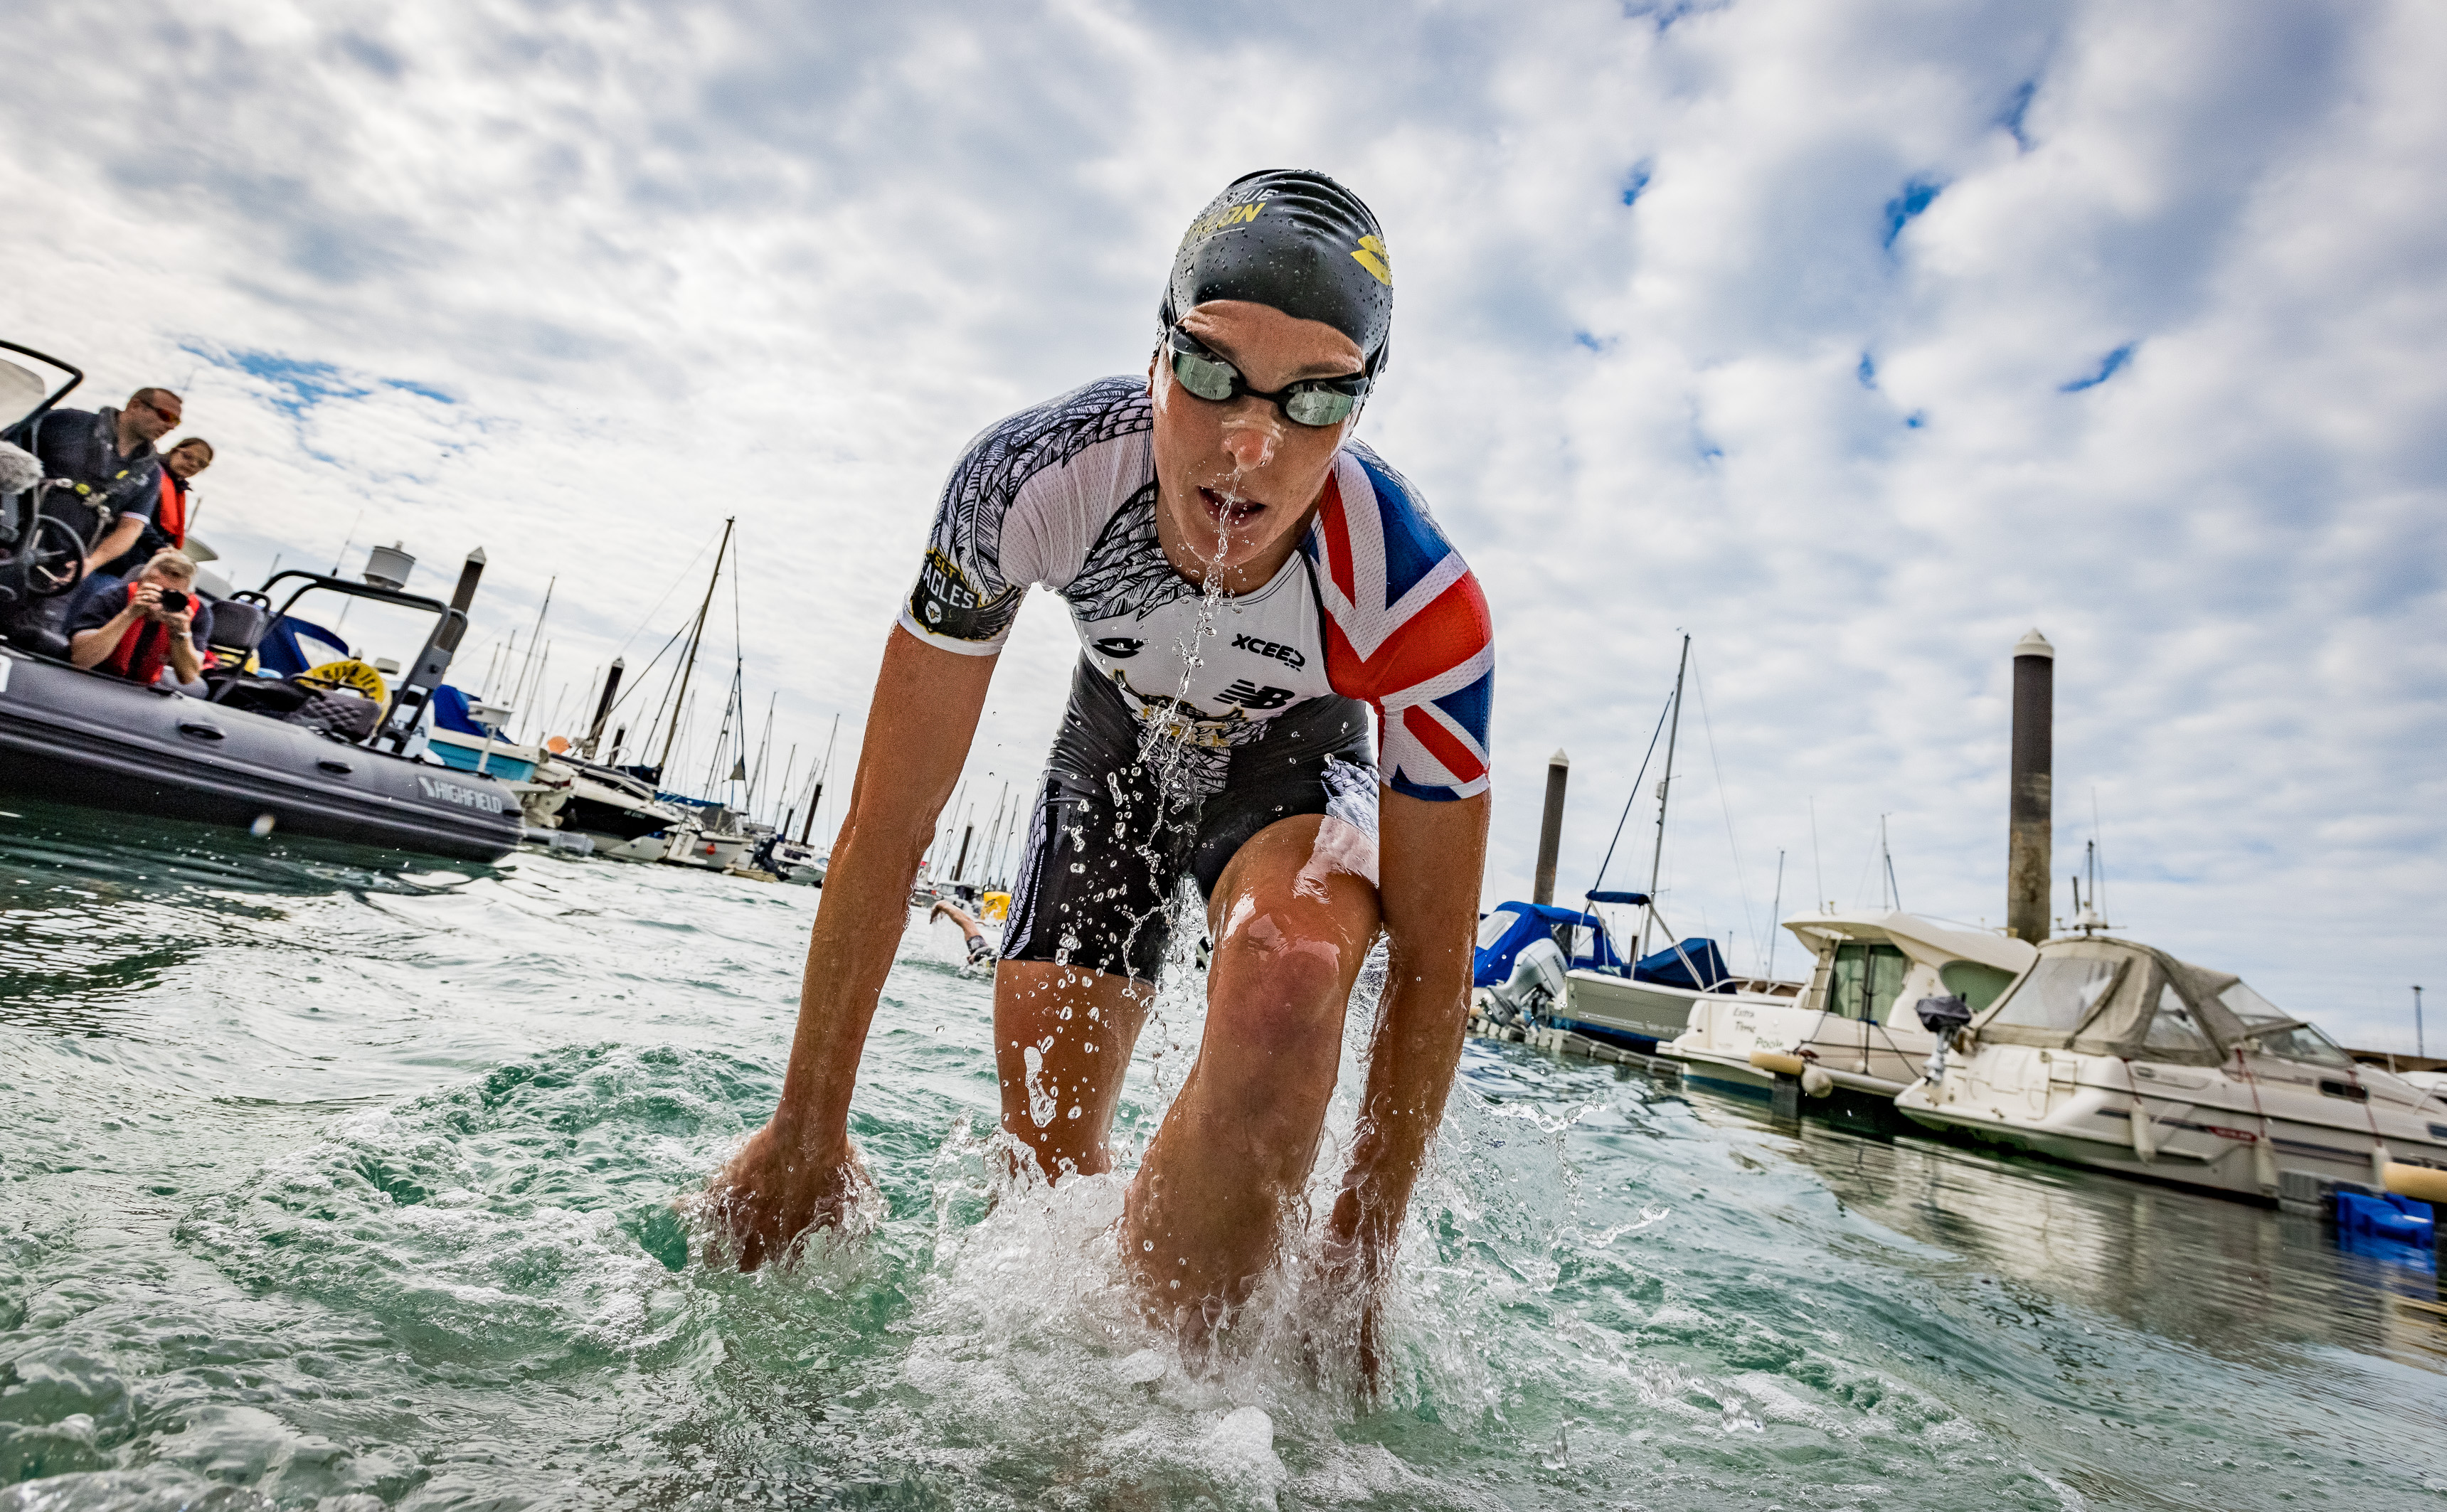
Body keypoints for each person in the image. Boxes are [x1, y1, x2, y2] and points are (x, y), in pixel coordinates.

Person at [707, 170, 1495, 1367]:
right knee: (1046, 1183)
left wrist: (1360, 1258)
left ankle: (1182, 1415)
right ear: (1158, 359)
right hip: (1112, 756)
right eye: (1217, 371)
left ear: (1358, 412)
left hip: (1291, 773)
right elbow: (889, 820)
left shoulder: (1417, 596)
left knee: (1292, 969)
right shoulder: (1036, 476)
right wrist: (806, 1131)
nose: (1251, 441)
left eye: (1314, 398)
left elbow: (1438, 962)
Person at [17, 387, 181, 575]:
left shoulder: (150, 473)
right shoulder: (66, 422)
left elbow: (131, 527)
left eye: (176, 422)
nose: (171, 426)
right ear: (135, 405)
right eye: (166, 416)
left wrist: (92, 563)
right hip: (11, 539)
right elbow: (8, 450)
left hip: (61, 569)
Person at [68, 548, 213, 692]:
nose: (161, 600)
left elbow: (188, 677)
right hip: (94, 678)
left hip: (144, 687)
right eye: (157, 591)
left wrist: (181, 633)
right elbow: (81, 659)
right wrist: (130, 614)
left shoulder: (197, 614)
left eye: (171, 595)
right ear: (141, 582)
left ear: (189, 595)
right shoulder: (114, 597)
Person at [102, 435, 213, 577]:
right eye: (188, 456)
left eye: (201, 464)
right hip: (114, 562)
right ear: (174, 451)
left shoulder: (177, 488)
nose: (193, 464)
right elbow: (135, 516)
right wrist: (162, 547)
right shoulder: (148, 473)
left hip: (135, 566)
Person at [930, 898, 997, 967]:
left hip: (980, 948)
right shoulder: (966, 921)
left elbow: (937, 906)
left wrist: (932, 918)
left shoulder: (942, 905)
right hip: (980, 947)